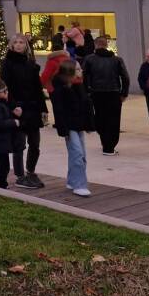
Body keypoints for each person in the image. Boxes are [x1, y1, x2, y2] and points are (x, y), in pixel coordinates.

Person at [0, 33, 47, 188]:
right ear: (12, 45)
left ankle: (31, 171)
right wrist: (13, 106)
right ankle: (20, 176)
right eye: (16, 42)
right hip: (18, 108)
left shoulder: (31, 63)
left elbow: (38, 88)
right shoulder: (7, 63)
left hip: (33, 108)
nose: (19, 45)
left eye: (22, 42)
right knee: (19, 144)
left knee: (35, 144)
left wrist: (43, 109)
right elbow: (5, 87)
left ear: (26, 45)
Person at [49, 59, 94, 197]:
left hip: (78, 124)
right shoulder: (61, 89)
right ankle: (79, 184)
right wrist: (63, 128)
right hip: (70, 126)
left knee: (79, 154)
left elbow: (86, 106)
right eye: (78, 69)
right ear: (70, 72)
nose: (81, 71)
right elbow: (59, 110)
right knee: (78, 154)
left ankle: (72, 180)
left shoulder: (79, 85)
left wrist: (89, 124)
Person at [81, 36, 130, 156]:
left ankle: (105, 143)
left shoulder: (89, 59)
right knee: (114, 119)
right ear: (106, 45)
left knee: (100, 117)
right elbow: (125, 77)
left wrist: (87, 91)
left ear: (95, 45)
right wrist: (124, 93)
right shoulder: (117, 60)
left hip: (96, 93)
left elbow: (83, 76)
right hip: (113, 92)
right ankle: (110, 146)